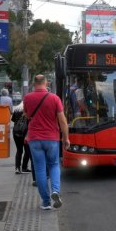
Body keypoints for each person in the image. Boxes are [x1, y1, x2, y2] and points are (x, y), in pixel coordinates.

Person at [24, 75, 70, 210]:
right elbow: (62, 121)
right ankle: (55, 190)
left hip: (34, 139)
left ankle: (45, 202)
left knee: (39, 169)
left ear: (33, 84)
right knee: (54, 165)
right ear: (46, 82)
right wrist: (65, 138)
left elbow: (27, 115)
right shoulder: (54, 98)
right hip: (52, 139)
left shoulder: (27, 98)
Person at [11, 102, 33, 175]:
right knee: (27, 151)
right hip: (25, 133)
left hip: (16, 132)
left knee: (19, 150)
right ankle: (24, 167)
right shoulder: (28, 110)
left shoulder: (16, 109)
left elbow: (13, 120)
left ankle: (17, 168)